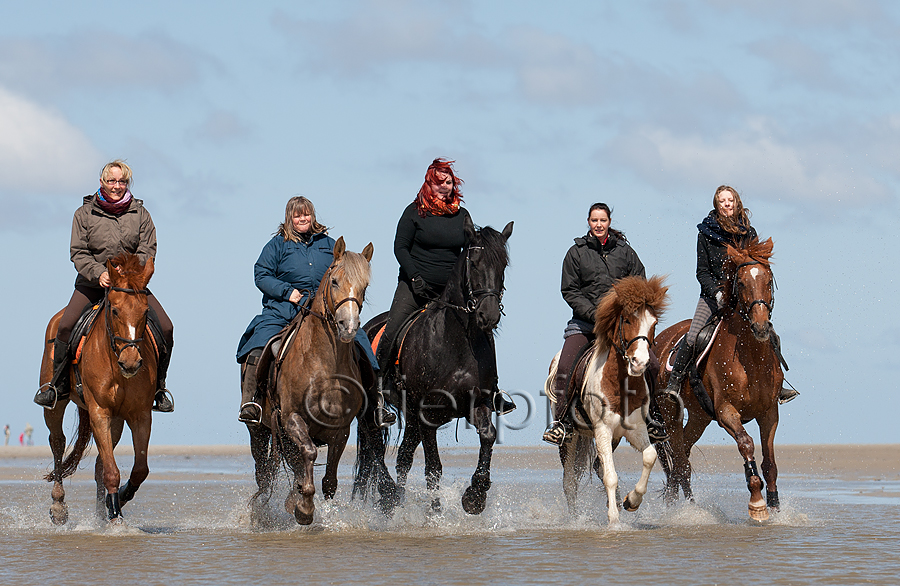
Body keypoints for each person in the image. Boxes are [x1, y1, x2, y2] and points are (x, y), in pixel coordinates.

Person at [236, 196, 394, 426]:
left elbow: (344, 273)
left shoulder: (329, 244)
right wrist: (287, 292)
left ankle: (376, 405)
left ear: (313, 216)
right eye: (297, 215)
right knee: (259, 342)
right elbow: (261, 274)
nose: (303, 218)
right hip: (283, 309)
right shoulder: (277, 245)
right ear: (289, 217)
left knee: (360, 343)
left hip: (323, 311)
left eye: (306, 214)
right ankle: (252, 401)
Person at [33, 160, 175, 413]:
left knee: (166, 327)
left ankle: (159, 388)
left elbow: (147, 249)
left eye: (122, 181)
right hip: (92, 284)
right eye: (112, 181)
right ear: (102, 182)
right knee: (65, 326)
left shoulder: (141, 214)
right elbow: (78, 252)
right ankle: (58, 385)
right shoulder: (83, 214)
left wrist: (129, 270)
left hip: (130, 286)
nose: (117, 186)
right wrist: (99, 273)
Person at [376, 158, 515, 415]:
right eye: (439, 182)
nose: (444, 187)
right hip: (414, 286)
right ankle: (379, 393)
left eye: (448, 182)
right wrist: (415, 276)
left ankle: (492, 390)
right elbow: (400, 247)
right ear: (429, 184)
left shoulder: (462, 215)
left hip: (451, 292)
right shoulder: (413, 212)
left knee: (483, 329)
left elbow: (471, 250)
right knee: (392, 328)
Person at [542, 202, 668, 446]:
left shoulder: (625, 252)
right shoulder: (575, 253)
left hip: (622, 327)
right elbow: (569, 290)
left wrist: (628, 313)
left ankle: (653, 418)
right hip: (585, 324)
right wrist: (593, 314)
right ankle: (561, 424)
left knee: (652, 365)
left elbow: (640, 283)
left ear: (609, 222)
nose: (598, 224)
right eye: (594, 220)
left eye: (603, 220)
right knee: (565, 367)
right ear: (588, 223)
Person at [661, 185, 798, 403]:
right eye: (722, 200)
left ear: (736, 203)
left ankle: (778, 386)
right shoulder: (705, 234)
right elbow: (702, 271)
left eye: (730, 200)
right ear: (716, 205)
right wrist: (716, 293)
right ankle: (674, 383)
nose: (727, 204)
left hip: (741, 297)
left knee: (770, 334)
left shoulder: (748, 232)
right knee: (694, 335)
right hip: (711, 296)